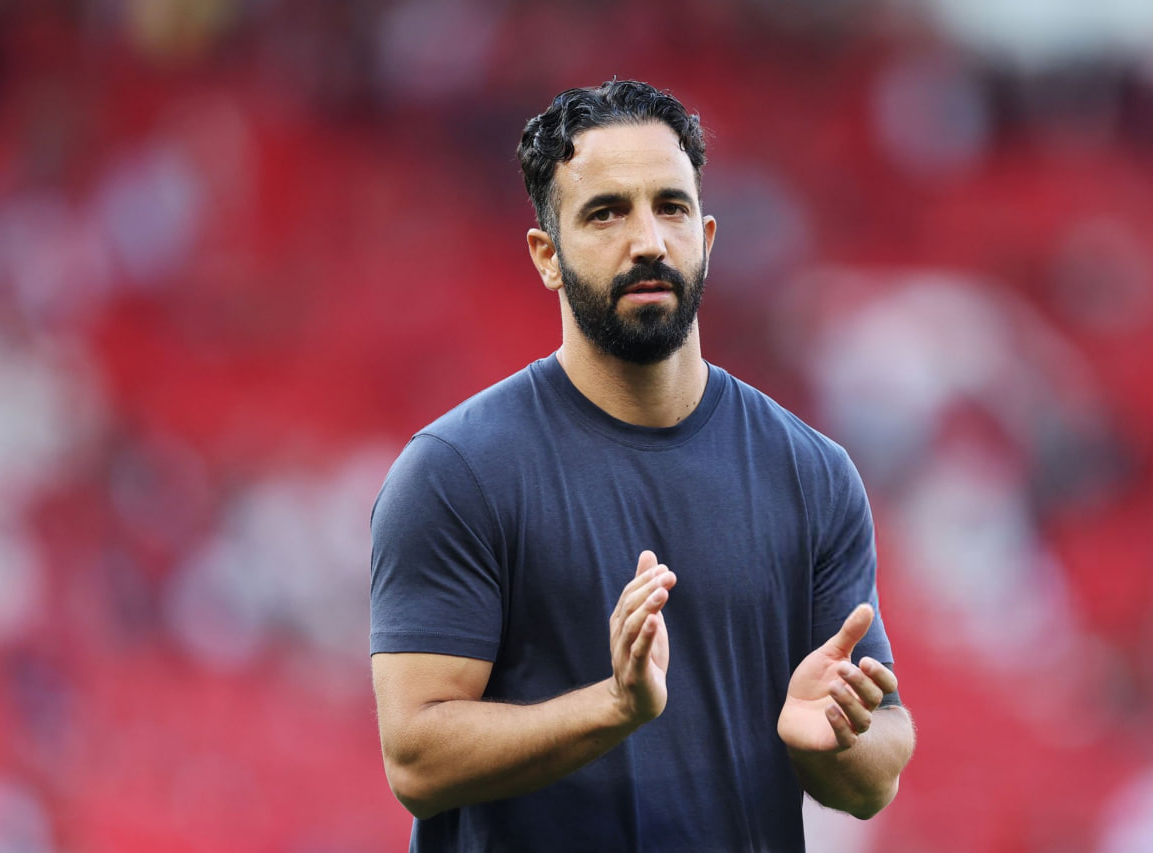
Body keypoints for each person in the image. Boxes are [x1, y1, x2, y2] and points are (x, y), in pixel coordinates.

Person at [369, 79, 915, 853]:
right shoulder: (458, 472)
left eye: (671, 207)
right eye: (606, 212)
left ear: (707, 238)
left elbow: (877, 769)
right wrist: (615, 707)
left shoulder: (810, 472)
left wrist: (830, 740)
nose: (649, 240)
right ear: (547, 256)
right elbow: (416, 759)